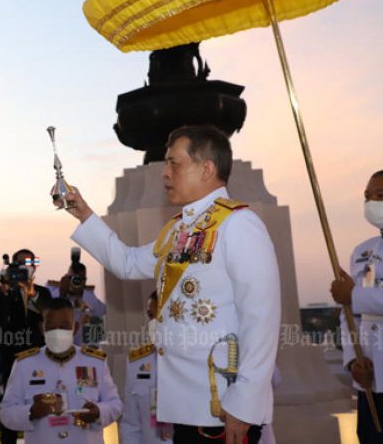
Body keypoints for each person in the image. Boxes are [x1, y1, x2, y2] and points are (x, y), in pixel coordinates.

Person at [58, 125, 280, 444]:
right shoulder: (179, 231)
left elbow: (262, 320)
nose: (165, 173)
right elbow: (128, 263)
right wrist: (83, 213)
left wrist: (244, 405)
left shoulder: (238, 225)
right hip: (186, 406)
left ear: (207, 169)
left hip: (222, 405)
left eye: (174, 163)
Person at [0, 298, 123, 443]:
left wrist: (98, 412)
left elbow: (115, 404)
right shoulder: (25, 364)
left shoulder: (95, 362)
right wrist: (31, 412)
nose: (57, 332)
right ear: (42, 328)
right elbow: (6, 413)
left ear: (75, 328)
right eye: (51, 327)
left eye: (64, 326)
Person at [330, 169, 383, 444]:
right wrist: (354, 359)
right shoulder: (363, 251)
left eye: (381, 196)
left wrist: (353, 295)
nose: (372, 203)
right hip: (370, 379)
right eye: (368, 197)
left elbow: (352, 298)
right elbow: (348, 313)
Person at [0, 248, 52, 444]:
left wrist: (31, 292)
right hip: (11, 358)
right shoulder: (1, 293)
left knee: (43, 404)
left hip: (38, 358)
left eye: (28, 264)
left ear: (35, 266)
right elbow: (0, 320)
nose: (24, 269)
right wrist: (7, 292)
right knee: (10, 406)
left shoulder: (42, 292)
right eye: (19, 265)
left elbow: (47, 315)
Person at [120, 291, 173, 443]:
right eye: (151, 315)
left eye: (161, 315)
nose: (154, 322)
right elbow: (131, 425)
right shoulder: (136, 363)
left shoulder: (195, 362)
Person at [47, 260, 107, 346]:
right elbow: (46, 311)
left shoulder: (88, 296)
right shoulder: (52, 292)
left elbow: (100, 311)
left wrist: (81, 294)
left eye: (80, 279)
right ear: (66, 277)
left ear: (85, 280)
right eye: (72, 278)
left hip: (80, 348)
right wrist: (62, 294)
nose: (76, 281)